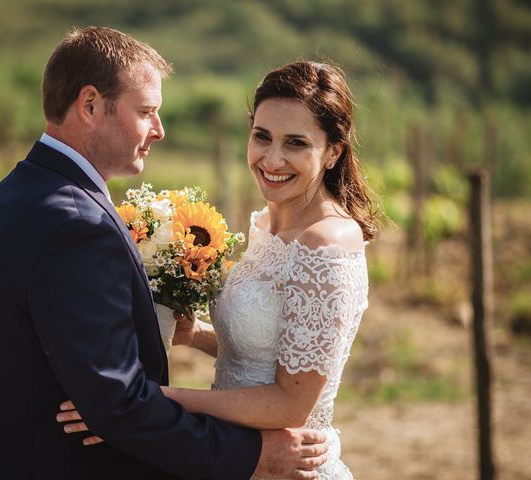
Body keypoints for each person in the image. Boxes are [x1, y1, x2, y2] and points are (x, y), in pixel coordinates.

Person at [0, 27, 328, 480]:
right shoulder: (77, 224)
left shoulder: (18, 190)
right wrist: (256, 455)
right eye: (146, 112)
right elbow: (118, 404)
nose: (160, 130)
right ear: (90, 105)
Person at [60, 61, 376, 479]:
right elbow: (266, 352)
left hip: (288, 464)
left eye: (296, 143)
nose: (273, 158)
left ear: (333, 151)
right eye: (262, 136)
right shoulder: (267, 223)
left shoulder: (328, 244)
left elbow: (290, 404)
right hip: (239, 456)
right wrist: (200, 336)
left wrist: (149, 402)